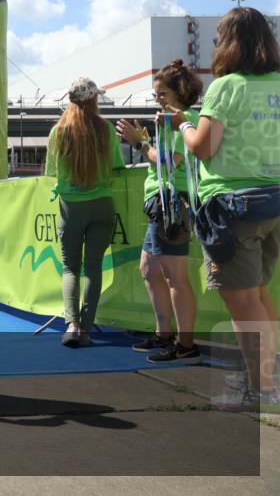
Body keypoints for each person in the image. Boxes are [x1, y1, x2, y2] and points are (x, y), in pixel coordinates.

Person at [165, 6, 280, 411]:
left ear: (228, 43)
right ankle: (266, 373)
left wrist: (183, 125)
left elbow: (203, 148)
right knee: (260, 296)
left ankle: (262, 388)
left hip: (233, 206)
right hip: (273, 202)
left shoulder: (225, 86)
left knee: (243, 302)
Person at [116, 61, 203, 364]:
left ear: (179, 92)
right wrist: (146, 142)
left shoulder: (183, 120)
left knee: (174, 276)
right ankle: (165, 334)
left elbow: (168, 162)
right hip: (162, 204)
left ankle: (186, 344)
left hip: (172, 204)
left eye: (161, 93)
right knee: (150, 271)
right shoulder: (175, 120)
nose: (157, 99)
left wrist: (140, 144)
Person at [44, 77, 126, 348]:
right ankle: (87, 330)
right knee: (93, 268)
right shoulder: (106, 129)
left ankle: (72, 325)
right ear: (94, 99)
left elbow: (51, 173)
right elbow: (117, 168)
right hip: (102, 204)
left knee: (70, 268)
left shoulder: (59, 132)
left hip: (71, 208)